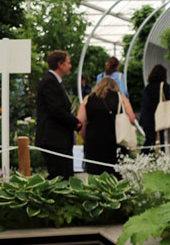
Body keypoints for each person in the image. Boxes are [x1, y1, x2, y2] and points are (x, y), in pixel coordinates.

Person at [35, 50, 82, 180]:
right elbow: (56, 110)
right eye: (68, 63)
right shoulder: (49, 82)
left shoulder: (55, 82)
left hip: (60, 139)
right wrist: (75, 122)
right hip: (53, 140)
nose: (70, 66)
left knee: (65, 177)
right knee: (59, 177)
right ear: (60, 64)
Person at [77, 77, 135, 176]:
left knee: (95, 176)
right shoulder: (120, 97)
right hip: (115, 143)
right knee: (117, 176)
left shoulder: (88, 99)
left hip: (93, 144)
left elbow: (80, 122)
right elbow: (131, 118)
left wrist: (85, 138)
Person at [139, 64, 170, 152]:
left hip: (148, 119)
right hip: (161, 118)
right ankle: (163, 157)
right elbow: (169, 101)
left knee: (149, 142)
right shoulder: (164, 86)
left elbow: (145, 104)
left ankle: (144, 158)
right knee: (163, 142)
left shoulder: (147, 88)